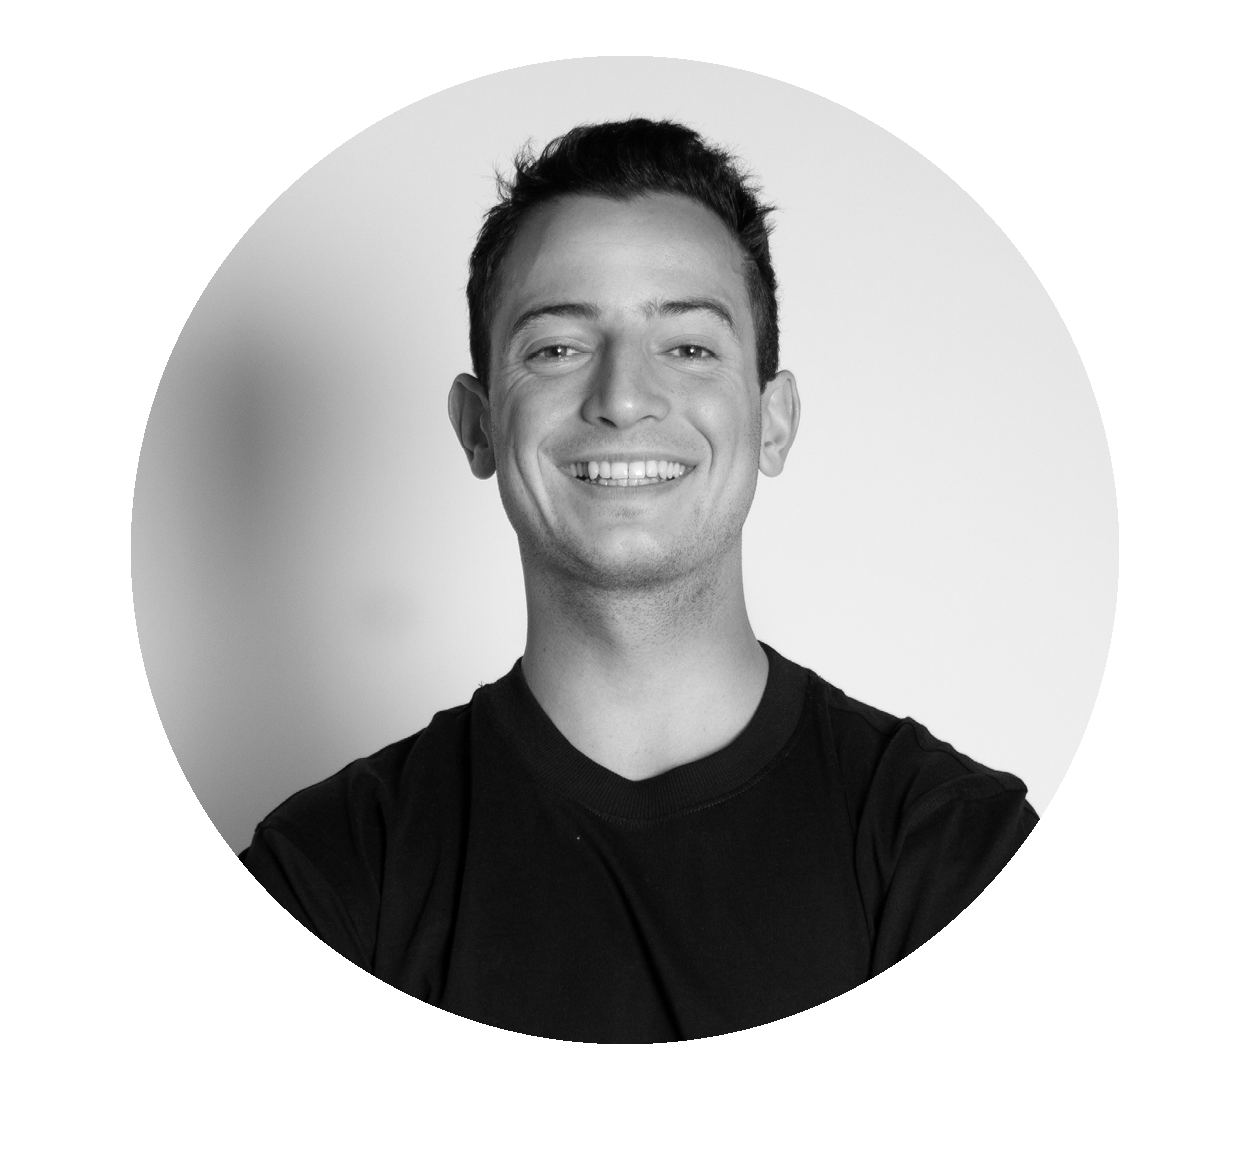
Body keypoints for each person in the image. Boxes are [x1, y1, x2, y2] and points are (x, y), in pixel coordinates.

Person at [242, 118, 1037, 1042]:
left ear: (774, 421)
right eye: (557, 348)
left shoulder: (955, 853)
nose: (622, 398)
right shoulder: (329, 877)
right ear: (478, 426)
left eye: (689, 347)